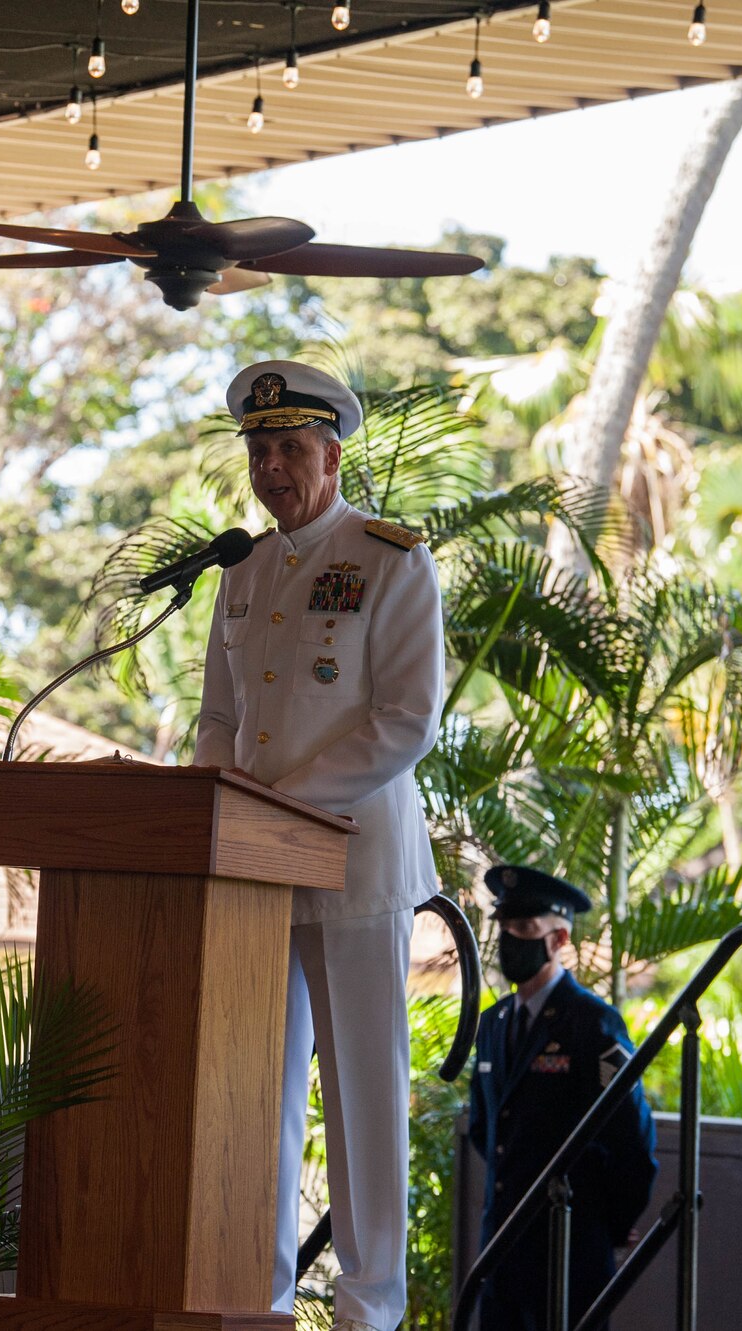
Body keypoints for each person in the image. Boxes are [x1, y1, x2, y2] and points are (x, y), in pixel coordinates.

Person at [194, 359, 445, 1331]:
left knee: (362, 1098)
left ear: (332, 456)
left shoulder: (389, 557)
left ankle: (366, 1311)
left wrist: (278, 808)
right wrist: (223, 804)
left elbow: (404, 719)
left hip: (352, 864)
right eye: (259, 450)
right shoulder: (245, 571)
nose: (271, 466)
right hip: (254, 872)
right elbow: (218, 717)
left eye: (290, 448)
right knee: (253, 1095)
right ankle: (253, 1302)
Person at [467, 865, 658, 1331]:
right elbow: (484, 1125)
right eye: (505, 927)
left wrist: (611, 1221)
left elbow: (631, 1132)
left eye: (526, 929)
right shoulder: (492, 1025)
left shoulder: (593, 1024)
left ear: (559, 940)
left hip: (570, 1247)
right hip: (502, 1248)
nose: (511, 938)